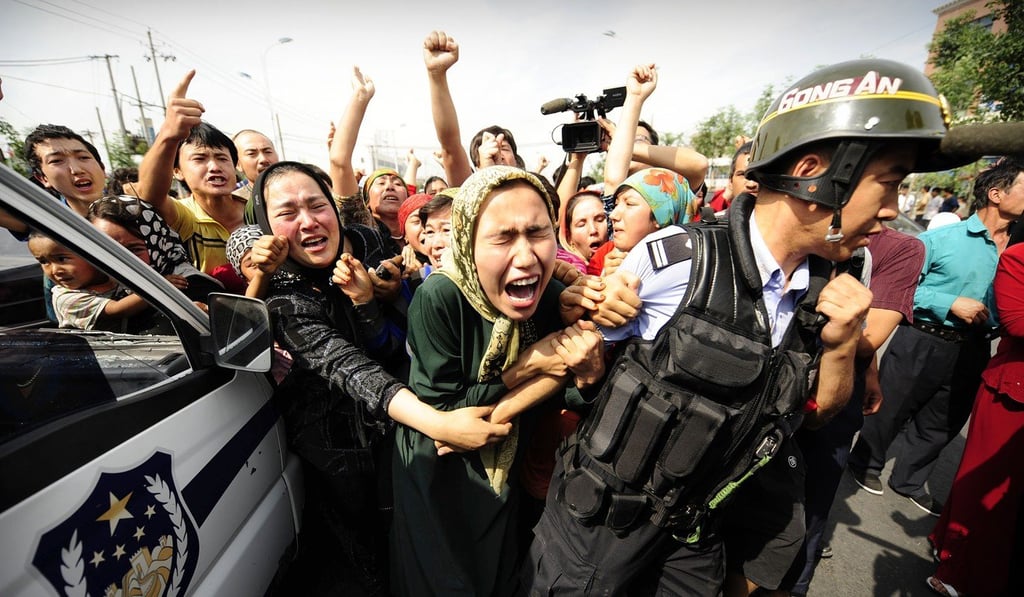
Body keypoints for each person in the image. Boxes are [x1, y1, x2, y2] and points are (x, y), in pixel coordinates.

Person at [523, 58, 967, 595]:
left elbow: (818, 416)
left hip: (697, 533)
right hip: (600, 528)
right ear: (812, 174)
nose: (893, 210)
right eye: (888, 185)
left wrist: (842, 345)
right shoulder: (679, 259)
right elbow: (574, 357)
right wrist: (580, 310)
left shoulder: (831, 288)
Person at [248, 160, 512, 595]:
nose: (309, 221)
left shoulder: (366, 243)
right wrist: (440, 424)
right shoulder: (284, 301)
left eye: (317, 205)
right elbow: (355, 371)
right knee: (363, 561)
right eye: (287, 213)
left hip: (396, 434)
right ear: (265, 228)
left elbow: (388, 349)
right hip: (337, 455)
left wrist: (372, 298)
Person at [390, 166, 604, 597]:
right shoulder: (440, 297)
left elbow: (561, 389)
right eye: (503, 238)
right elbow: (445, 414)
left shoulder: (546, 296)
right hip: (440, 472)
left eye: (538, 233)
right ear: (468, 241)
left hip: (509, 469)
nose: (525, 258)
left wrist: (588, 374)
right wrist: (524, 367)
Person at [849, 157, 1024, 516]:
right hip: (923, 337)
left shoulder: (1017, 248)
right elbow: (896, 289)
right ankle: (865, 463)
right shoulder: (941, 239)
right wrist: (948, 302)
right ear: (996, 194)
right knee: (892, 407)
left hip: (975, 346)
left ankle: (910, 480)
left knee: (944, 420)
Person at [927, 233, 1024, 597]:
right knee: (986, 485)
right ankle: (956, 568)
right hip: (1012, 395)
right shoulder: (1019, 258)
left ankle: (949, 545)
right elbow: (1017, 322)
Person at [137, 71, 247, 279]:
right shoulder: (186, 216)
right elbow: (148, 196)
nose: (214, 166)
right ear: (177, 171)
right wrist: (169, 135)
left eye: (222, 158)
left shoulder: (257, 210)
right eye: (200, 158)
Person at [28, 231, 166, 333]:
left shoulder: (109, 276)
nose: (55, 270)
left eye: (62, 259)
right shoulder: (66, 299)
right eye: (43, 262)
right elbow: (118, 310)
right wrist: (159, 288)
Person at [232, 129, 279, 200]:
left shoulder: (296, 190)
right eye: (251, 154)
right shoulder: (234, 201)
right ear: (238, 165)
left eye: (268, 152)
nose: (263, 159)